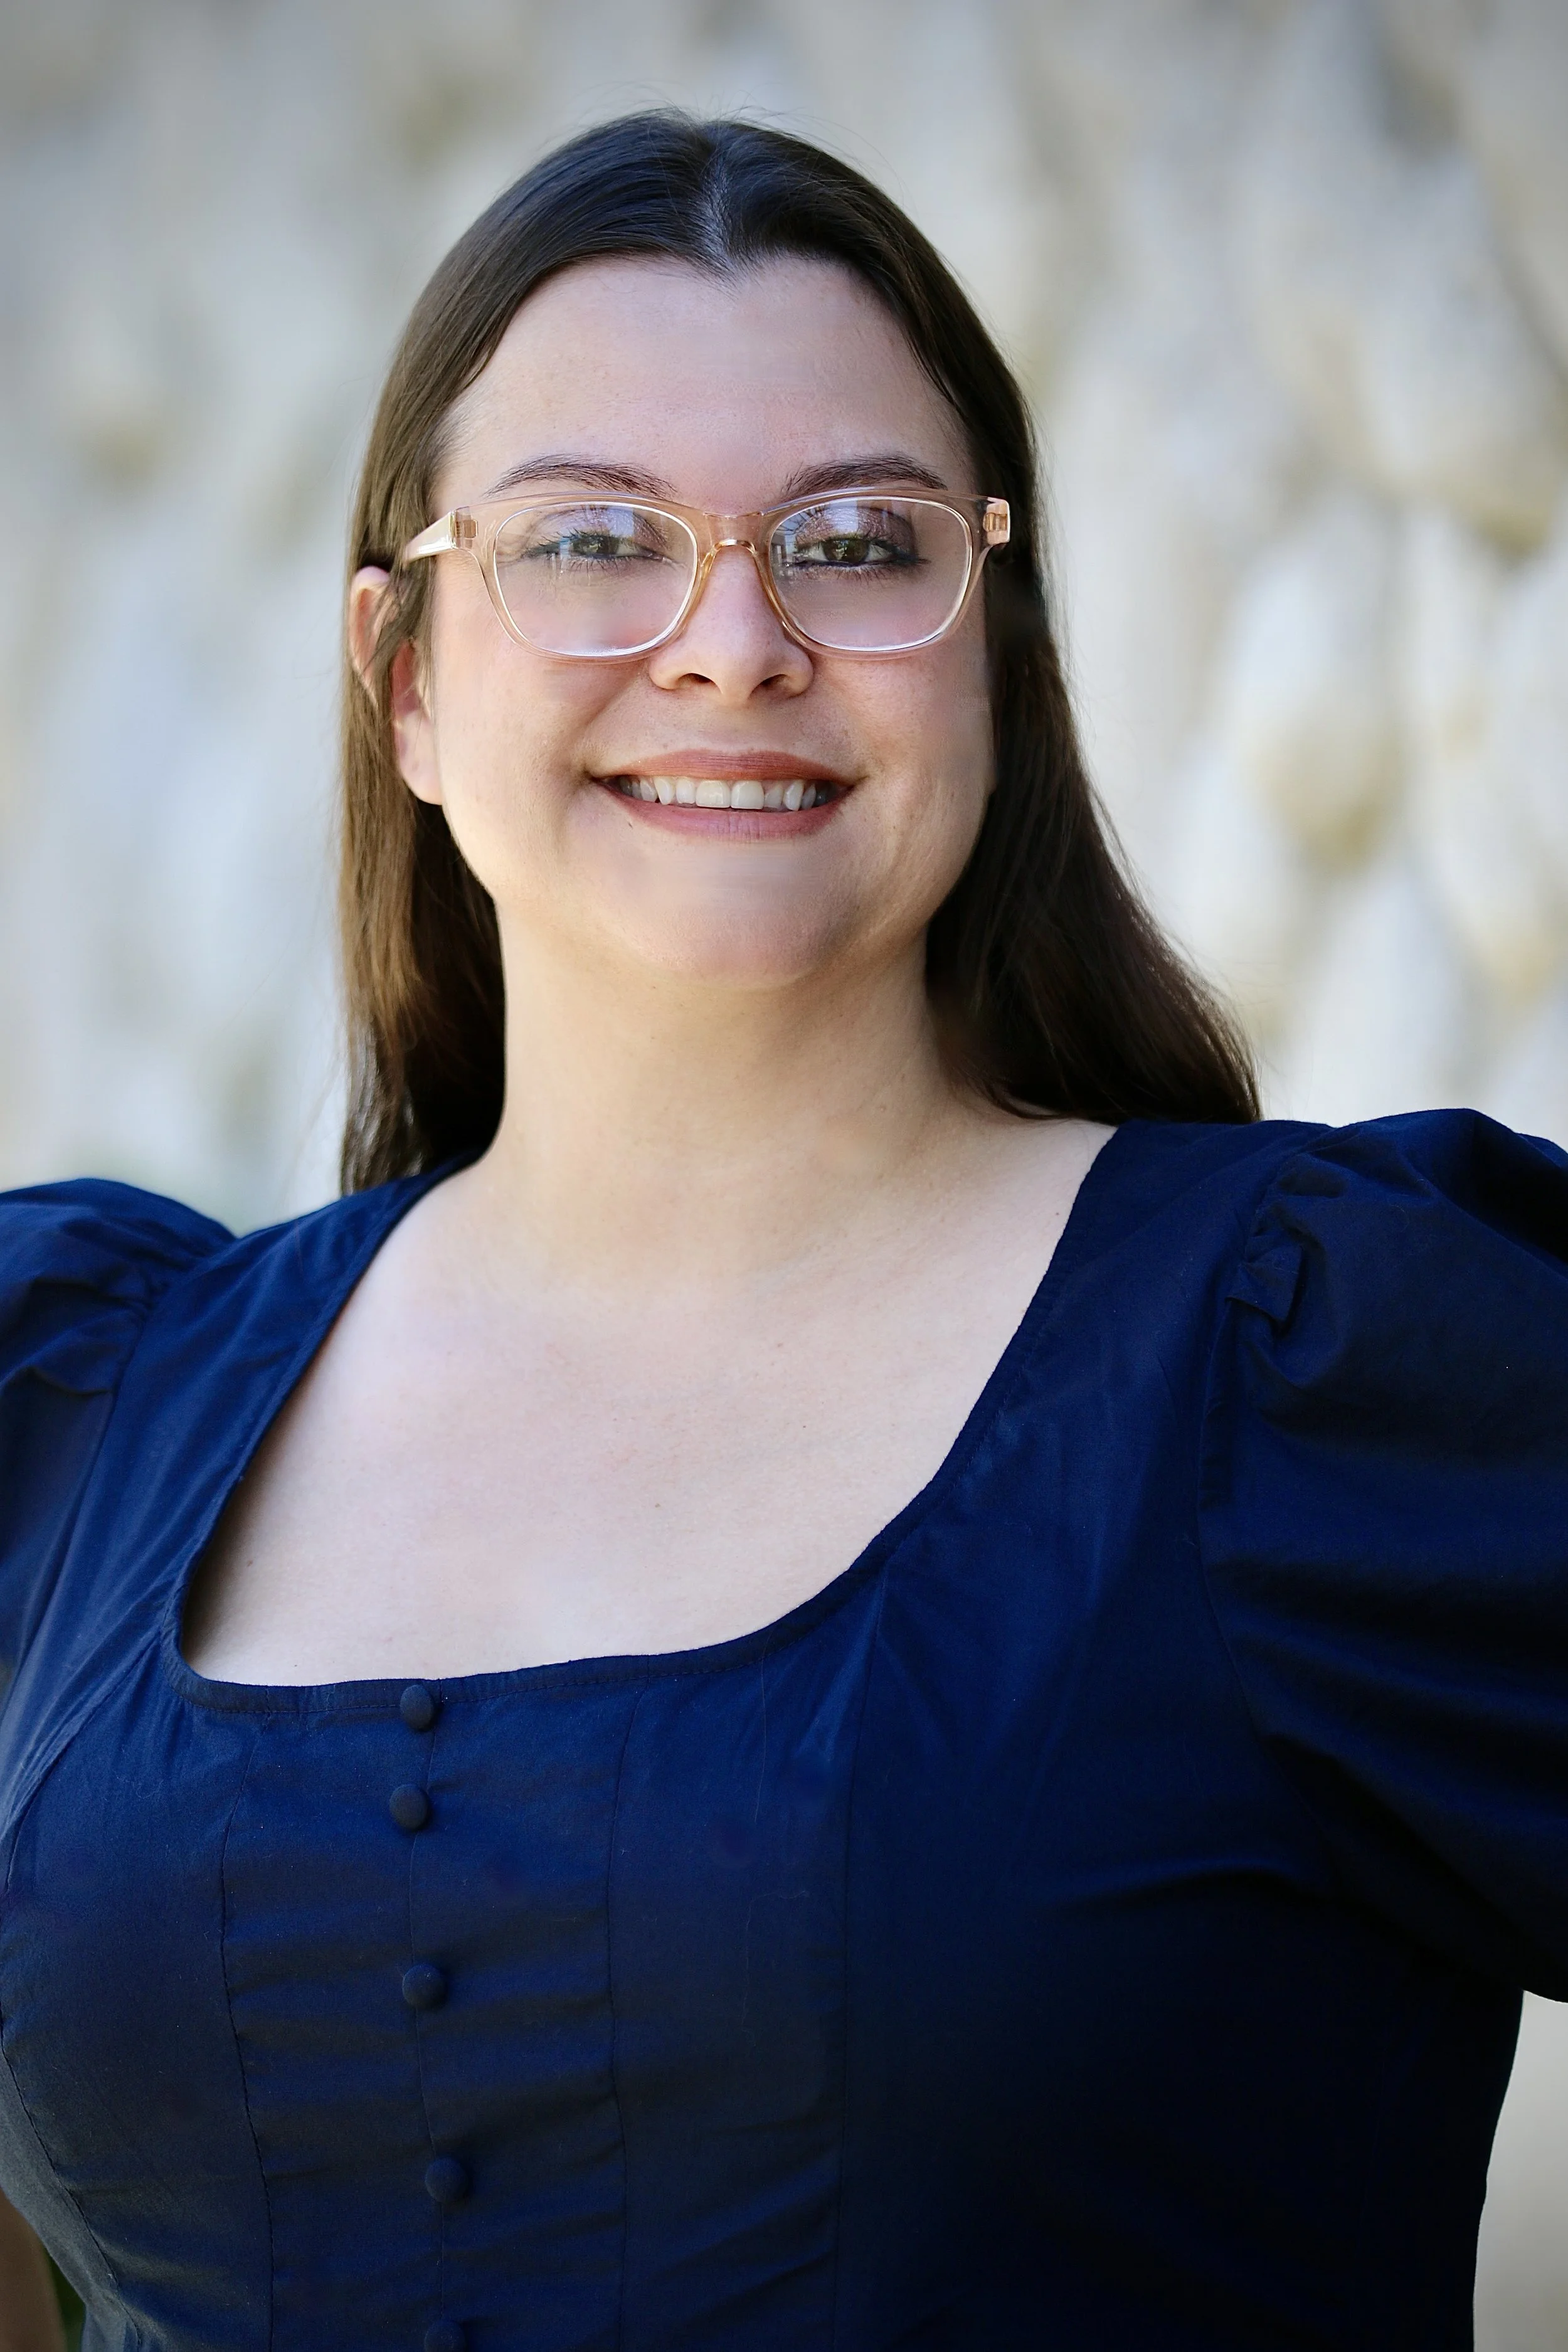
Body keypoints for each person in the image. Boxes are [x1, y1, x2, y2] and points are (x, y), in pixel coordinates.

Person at [0, 111, 1563, 2352]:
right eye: (588, 539)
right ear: (407, 676)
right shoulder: (74, 1405)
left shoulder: (1319, 1365)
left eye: (853, 542)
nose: (729, 641)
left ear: (994, 658)